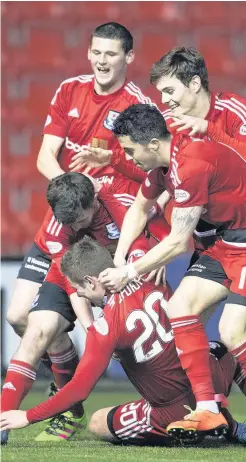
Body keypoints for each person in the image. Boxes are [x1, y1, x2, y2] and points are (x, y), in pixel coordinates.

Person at [2, 21, 159, 444]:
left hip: (108, 229)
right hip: (71, 210)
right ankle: (64, 380)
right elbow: (44, 156)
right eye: (96, 52)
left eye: (110, 54)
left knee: (67, 328)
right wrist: (69, 189)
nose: (101, 61)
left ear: (128, 57)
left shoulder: (138, 105)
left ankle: (71, 402)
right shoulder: (69, 90)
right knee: (18, 317)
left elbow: (152, 170)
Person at [97, 104, 246, 452]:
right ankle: (208, 409)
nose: (127, 157)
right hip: (226, 240)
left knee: (232, 330)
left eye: (130, 149)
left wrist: (128, 272)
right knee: (179, 305)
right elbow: (140, 207)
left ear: (152, 144)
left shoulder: (190, 165)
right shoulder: (165, 159)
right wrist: (120, 256)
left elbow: (179, 241)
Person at [0, 237, 246, 448]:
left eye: (78, 288)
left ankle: (225, 429)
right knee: (224, 351)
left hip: (175, 409)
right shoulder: (145, 268)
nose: (79, 294)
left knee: (98, 422)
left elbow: (78, 391)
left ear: (92, 281)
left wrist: (27, 416)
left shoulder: (106, 327)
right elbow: (143, 224)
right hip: (208, 379)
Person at [1, 173, 169, 444]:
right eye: (70, 222)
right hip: (72, 272)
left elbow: (157, 220)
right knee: (37, 331)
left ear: (94, 199)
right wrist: (90, 326)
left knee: (142, 346)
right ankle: (6, 420)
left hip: (120, 271)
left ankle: (188, 400)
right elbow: (73, 283)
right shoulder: (58, 227)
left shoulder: (116, 197)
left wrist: (159, 252)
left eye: (80, 219)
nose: (75, 226)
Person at [151, 46, 246, 351]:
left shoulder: (236, 110)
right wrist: (160, 198)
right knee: (183, 321)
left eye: (169, 90)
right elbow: (166, 172)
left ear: (194, 84)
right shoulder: (169, 123)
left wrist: (209, 130)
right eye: (160, 93)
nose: (164, 101)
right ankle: (210, 396)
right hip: (212, 236)